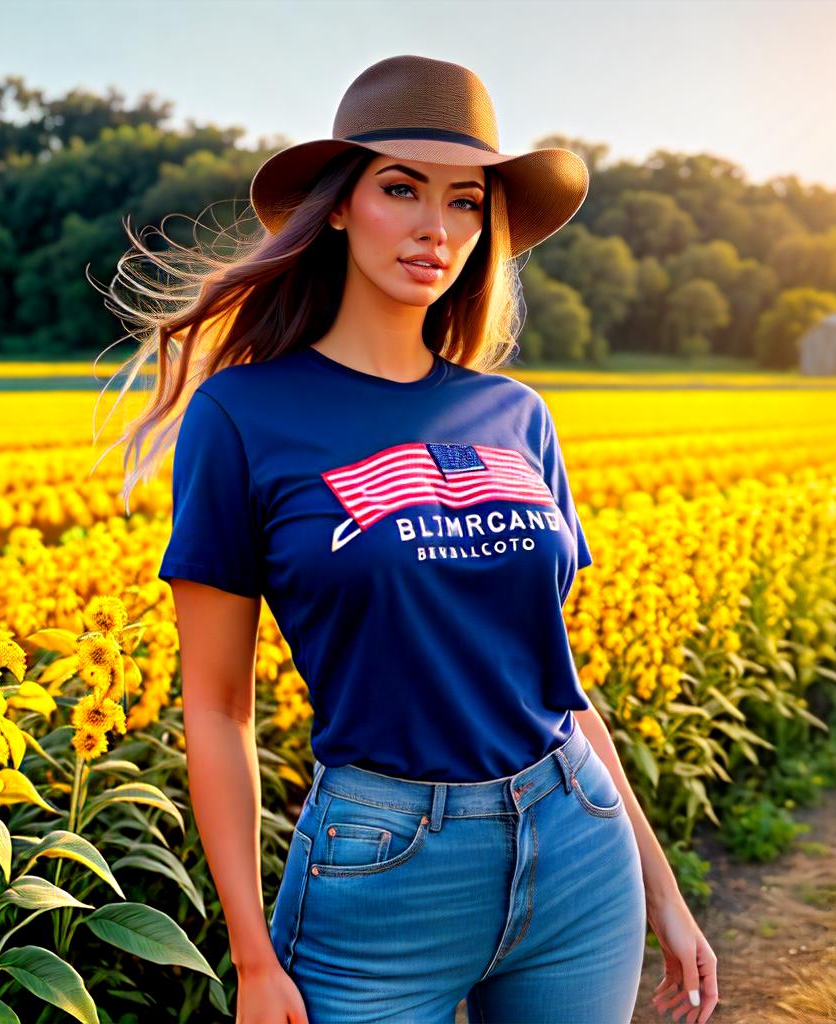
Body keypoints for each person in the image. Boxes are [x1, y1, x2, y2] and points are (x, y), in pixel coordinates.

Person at [115, 54, 717, 1024]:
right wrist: (251, 953)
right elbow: (217, 705)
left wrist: (661, 888)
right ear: (340, 205)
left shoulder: (515, 413)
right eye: (402, 189)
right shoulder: (243, 416)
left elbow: (552, 681)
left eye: (466, 202)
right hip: (383, 863)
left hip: (575, 840)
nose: (436, 228)